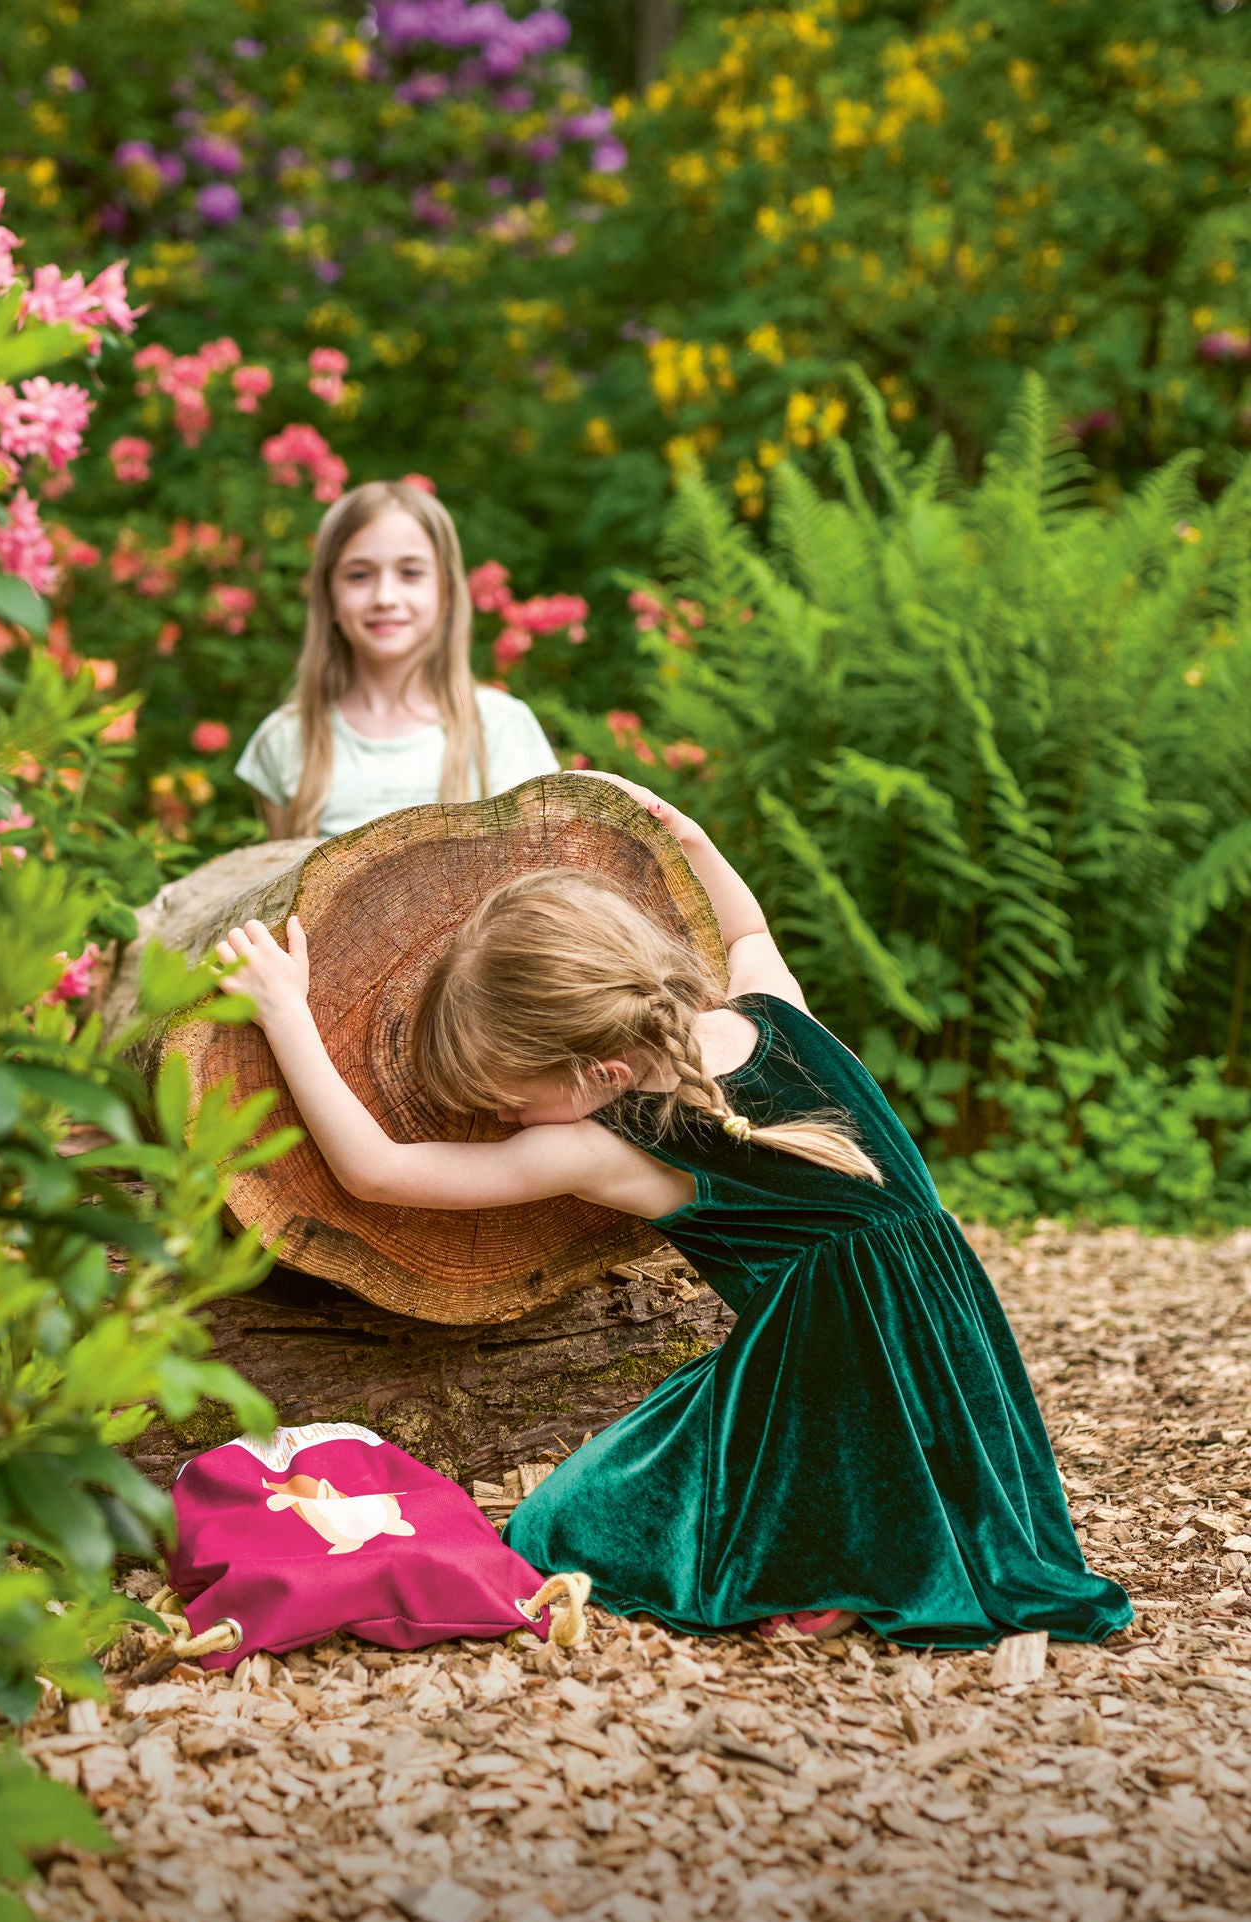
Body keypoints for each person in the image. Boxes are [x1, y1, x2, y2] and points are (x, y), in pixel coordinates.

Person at [215, 773, 1132, 1647]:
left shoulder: (610, 1143)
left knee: (565, 1519)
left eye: (508, 1101)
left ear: (598, 1076)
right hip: (947, 1330)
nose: (499, 1121)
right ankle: (875, 1544)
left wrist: (289, 1015)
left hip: (823, 1369)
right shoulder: (775, 1013)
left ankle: (824, 1565)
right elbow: (750, 929)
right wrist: (687, 836)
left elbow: (378, 1171)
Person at [235, 479, 559, 838]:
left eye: (410, 573)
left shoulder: (502, 728)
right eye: (359, 575)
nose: (385, 597)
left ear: (447, 591)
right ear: (329, 597)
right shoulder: (285, 740)